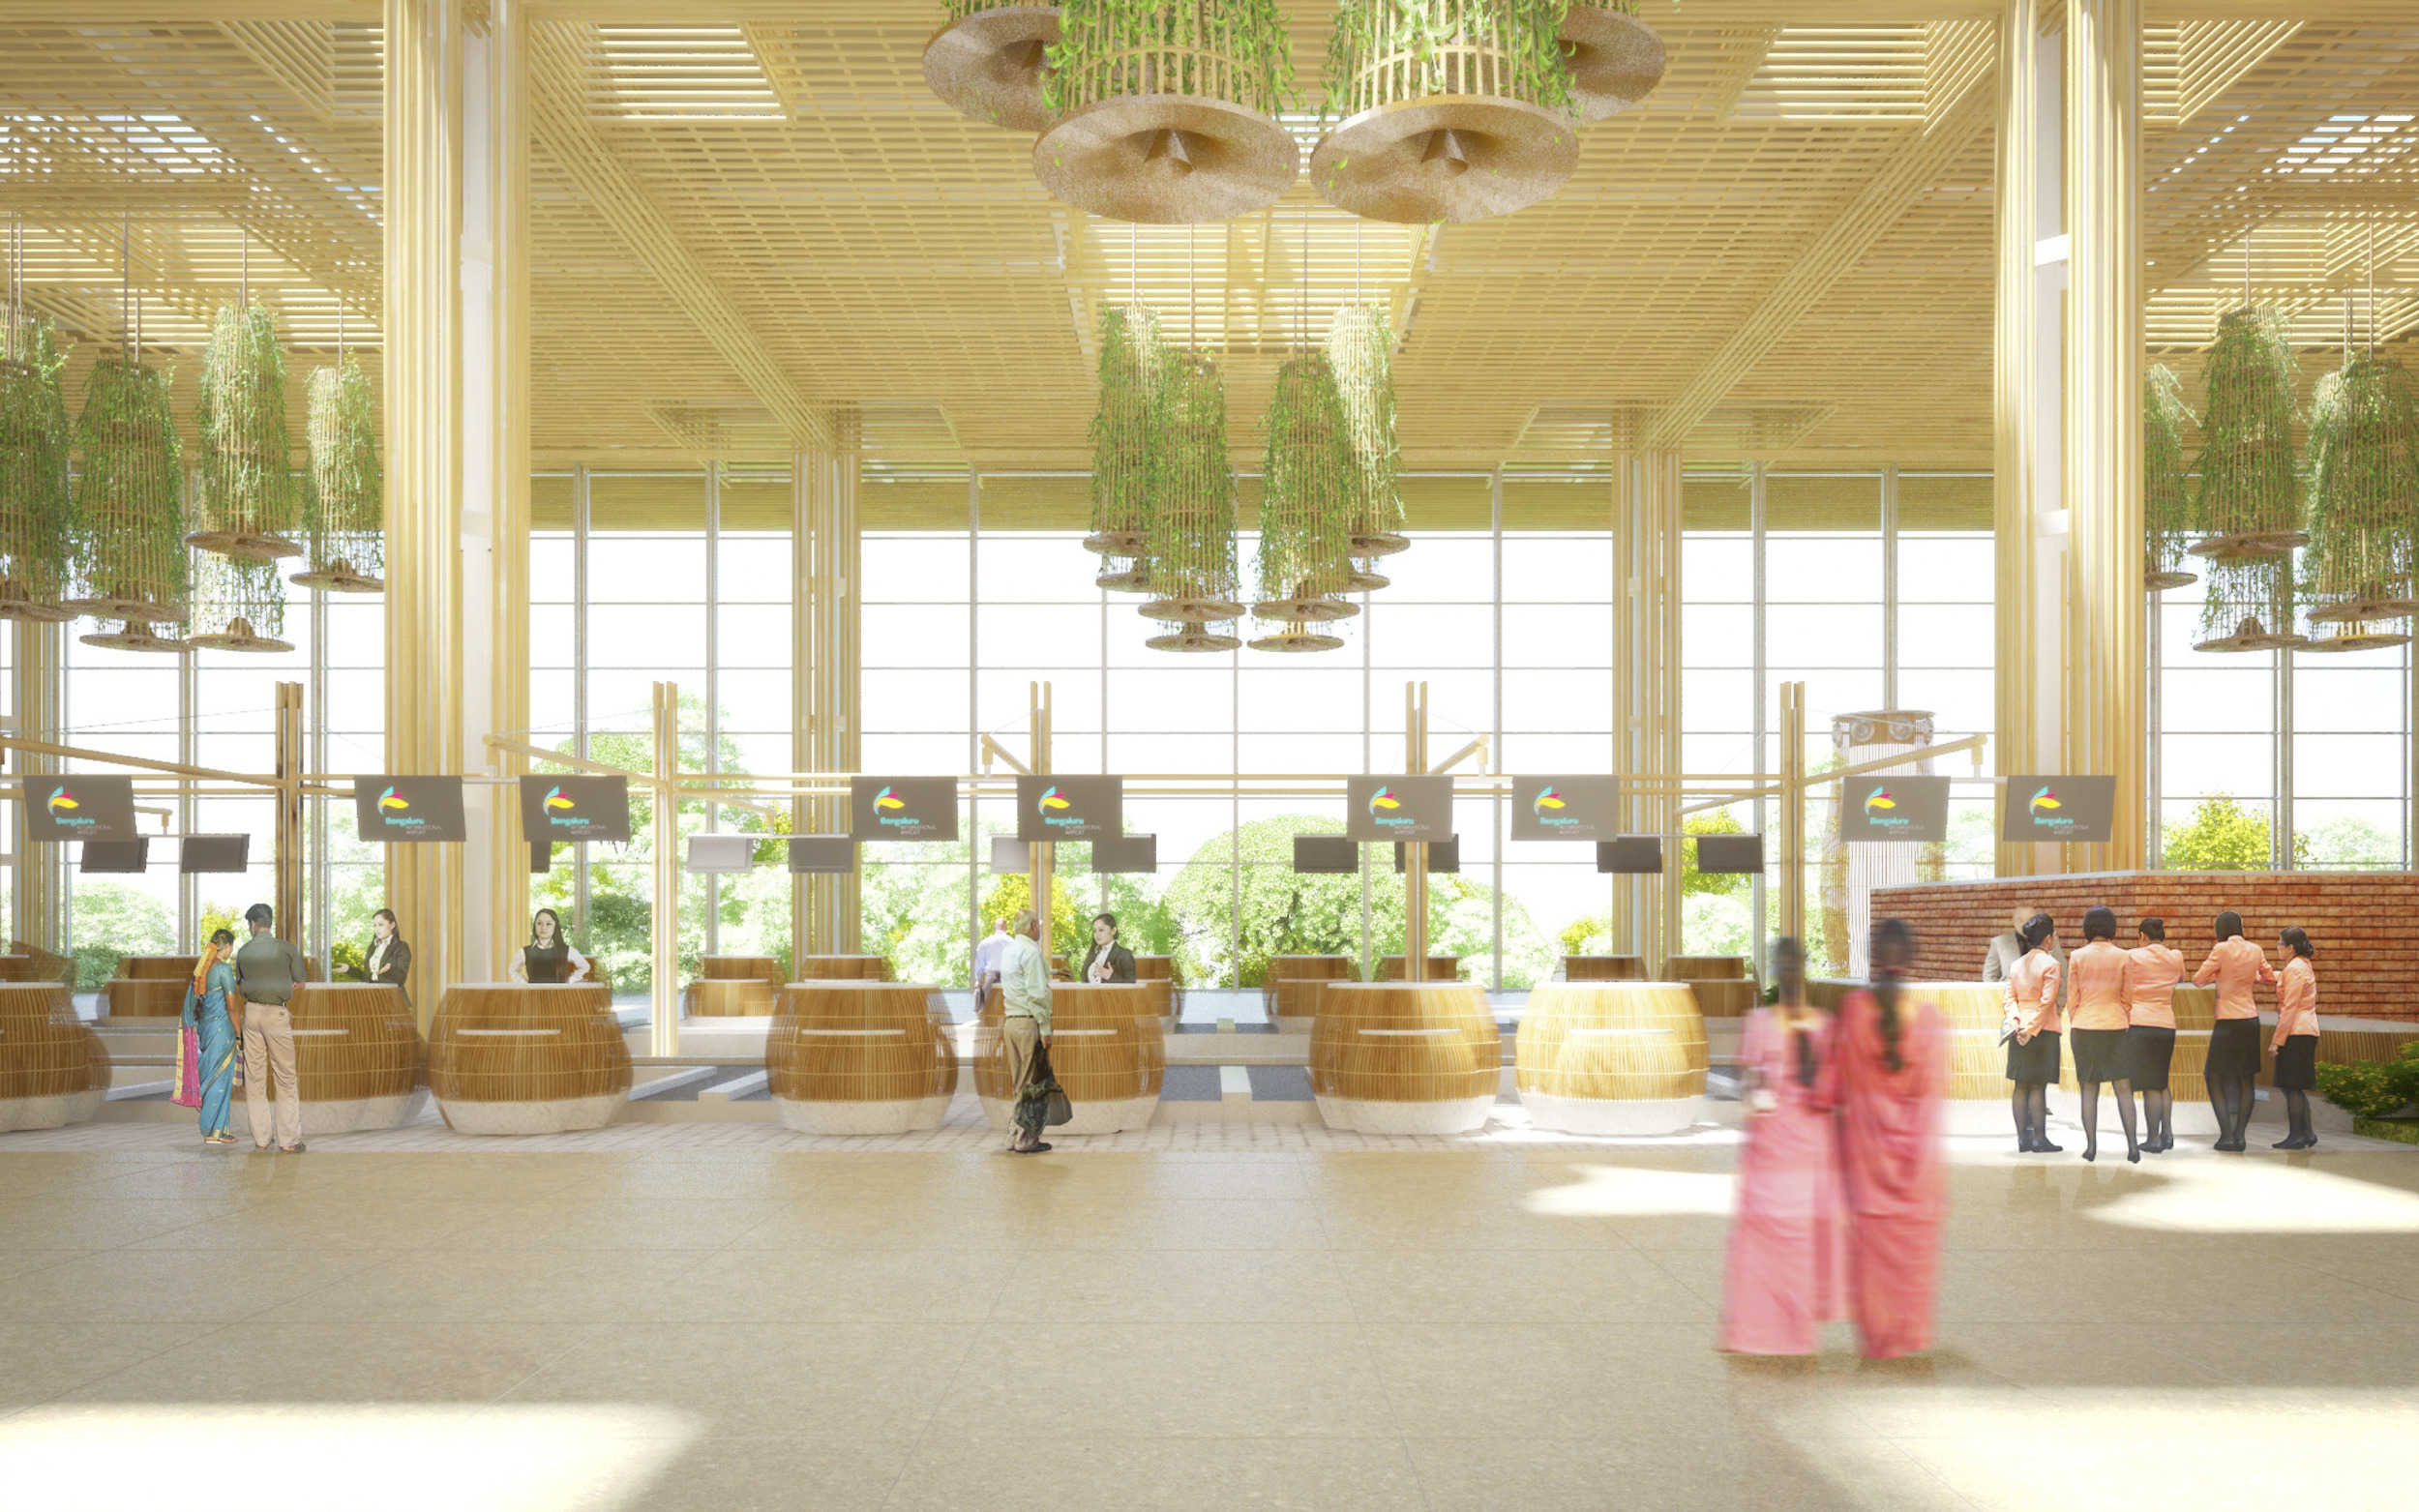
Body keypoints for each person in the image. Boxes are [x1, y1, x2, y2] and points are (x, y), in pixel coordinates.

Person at [1719, 937, 1844, 1357]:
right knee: (1798, 1235)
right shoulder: (1822, 1024)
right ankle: (1792, 1329)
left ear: (1778, 972)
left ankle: (1760, 1329)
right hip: (1806, 1144)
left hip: (1780, 1143)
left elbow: (1750, 1081)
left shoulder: (1762, 1022)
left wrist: (1759, 1095)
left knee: (1764, 1236)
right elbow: (1832, 1090)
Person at [1834, 918, 1946, 1361]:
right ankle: (1908, 1334)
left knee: (1871, 1259)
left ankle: (1877, 1338)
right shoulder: (1931, 1022)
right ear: (1913, 958)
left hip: (1866, 1163)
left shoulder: (1855, 1011)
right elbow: (1930, 1102)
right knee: (1912, 1257)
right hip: (1916, 1175)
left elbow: (1842, 1085)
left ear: (1873, 955)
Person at [2194, 911, 2275, 1152]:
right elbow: (2270, 979)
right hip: (2250, 1019)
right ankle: (2240, 1136)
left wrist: (2218, 976)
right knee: (2246, 1078)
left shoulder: (2221, 949)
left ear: (2220, 929)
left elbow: (2198, 979)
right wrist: (2250, 979)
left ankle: (2226, 1134)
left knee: (2213, 1075)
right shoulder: (2255, 949)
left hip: (2227, 1021)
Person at [2064, 906, 2138, 1164]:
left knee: (2089, 1088)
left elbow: (2072, 998)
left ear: (2087, 928)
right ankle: (2132, 1147)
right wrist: (2122, 1017)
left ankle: (2091, 1148)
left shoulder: (2077, 956)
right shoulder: (2124, 956)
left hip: (2084, 1027)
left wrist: (2078, 1020)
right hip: (2115, 1026)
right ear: (2111, 928)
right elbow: (2128, 997)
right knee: (2123, 1088)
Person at [234, 903, 308, 1154]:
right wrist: (284, 985)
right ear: (270, 923)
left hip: (251, 1014)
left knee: (255, 1078)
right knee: (285, 1077)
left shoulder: (243, 951)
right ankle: (288, 1140)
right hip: (276, 1015)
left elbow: (240, 983)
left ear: (253, 925)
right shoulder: (286, 949)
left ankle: (262, 1139)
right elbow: (300, 982)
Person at [2125, 917, 2187, 1154]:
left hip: (2140, 1024)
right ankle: (2167, 1133)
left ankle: (2153, 1140)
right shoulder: (2176, 956)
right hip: (2166, 1025)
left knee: (2150, 1085)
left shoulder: (2133, 956)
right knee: (2161, 1081)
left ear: (2142, 935)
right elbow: (2181, 978)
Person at [997, 908, 1055, 1155]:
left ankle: (1012, 1136)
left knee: (1019, 1083)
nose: (1040, 928)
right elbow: (1037, 993)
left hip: (1011, 1023)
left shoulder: (1009, 950)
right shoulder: (1031, 951)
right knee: (1032, 1084)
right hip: (1029, 1024)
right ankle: (1026, 1139)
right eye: (1039, 924)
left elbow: (1019, 981)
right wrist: (1045, 1027)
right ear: (1032, 925)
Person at [179, 929, 242, 1147]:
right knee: (221, 1077)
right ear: (226, 946)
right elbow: (232, 1007)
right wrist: (239, 1033)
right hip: (222, 1029)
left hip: (206, 1029)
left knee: (210, 1073)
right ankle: (215, 1131)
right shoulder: (223, 969)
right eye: (231, 947)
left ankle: (215, 1128)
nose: (232, 951)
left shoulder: (203, 970)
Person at [2270, 927, 2321, 1150]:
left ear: (2290, 947)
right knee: (2295, 1087)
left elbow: (2289, 1008)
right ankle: (2306, 1133)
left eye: (2280, 944)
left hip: (2296, 1032)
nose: (2278, 947)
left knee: (2291, 1086)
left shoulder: (2294, 969)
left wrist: (2276, 1042)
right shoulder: (2301, 966)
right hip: (2306, 1030)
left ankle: (2297, 1135)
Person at [343, 907, 412, 1008]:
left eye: (381, 925)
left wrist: (387, 971)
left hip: (394, 1003)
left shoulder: (401, 947)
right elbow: (368, 978)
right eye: (374, 925)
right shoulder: (372, 947)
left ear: (392, 925)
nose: (377, 929)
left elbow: (401, 978)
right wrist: (349, 969)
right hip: (374, 1001)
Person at [510, 908, 590, 984]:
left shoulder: (566, 950)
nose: (543, 927)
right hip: (534, 995)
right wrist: (524, 984)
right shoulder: (525, 952)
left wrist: (570, 981)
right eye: (539, 923)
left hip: (559, 995)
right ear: (535, 926)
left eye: (548, 924)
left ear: (555, 926)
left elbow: (585, 966)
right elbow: (512, 970)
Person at [1077, 911, 1134, 984]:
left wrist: (1111, 977)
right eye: (1095, 931)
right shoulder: (1092, 953)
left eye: (1101, 930)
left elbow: (1131, 986)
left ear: (1113, 930)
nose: (1097, 934)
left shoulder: (1124, 954)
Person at [971, 916, 1011, 1002]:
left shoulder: (986, 942)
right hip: (1007, 976)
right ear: (1005, 928)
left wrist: (978, 979)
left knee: (988, 1006)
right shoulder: (1012, 942)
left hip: (990, 976)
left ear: (995, 927)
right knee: (1007, 1006)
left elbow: (979, 962)